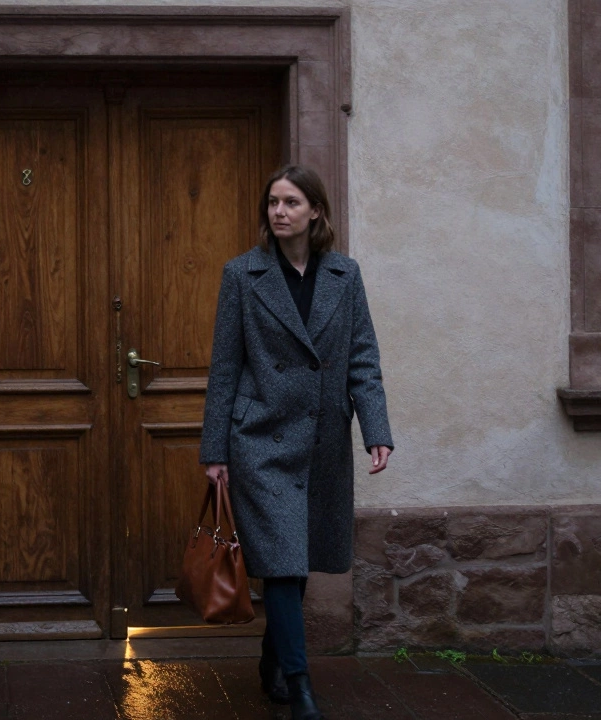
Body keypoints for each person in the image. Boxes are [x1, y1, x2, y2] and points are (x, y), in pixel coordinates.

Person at [200, 164, 393, 720]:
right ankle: (301, 685)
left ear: (315, 212)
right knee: (284, 561)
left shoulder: (344, 276)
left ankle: (271, 659)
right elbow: (225, 368)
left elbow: (363, 358)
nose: (279, 212)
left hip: (322, 439)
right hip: (260, 439)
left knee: (298, 561)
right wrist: (215, 451)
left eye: (290, 203)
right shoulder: (243, 275)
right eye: (272, 203)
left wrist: (375, 430)